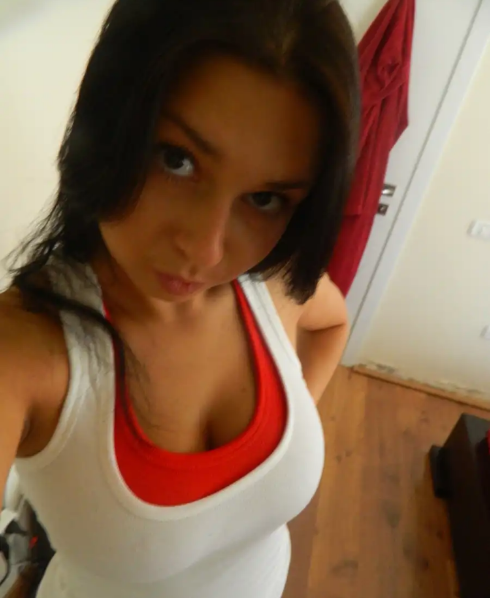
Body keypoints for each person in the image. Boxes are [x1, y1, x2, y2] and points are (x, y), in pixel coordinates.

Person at [0, 0, 360, 596]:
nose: (207, 250)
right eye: (178, 159)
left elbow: (332, 324)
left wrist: (293, 423)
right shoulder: (25, 350)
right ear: (111, 122)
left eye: (265, 198)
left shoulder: (269, 283)